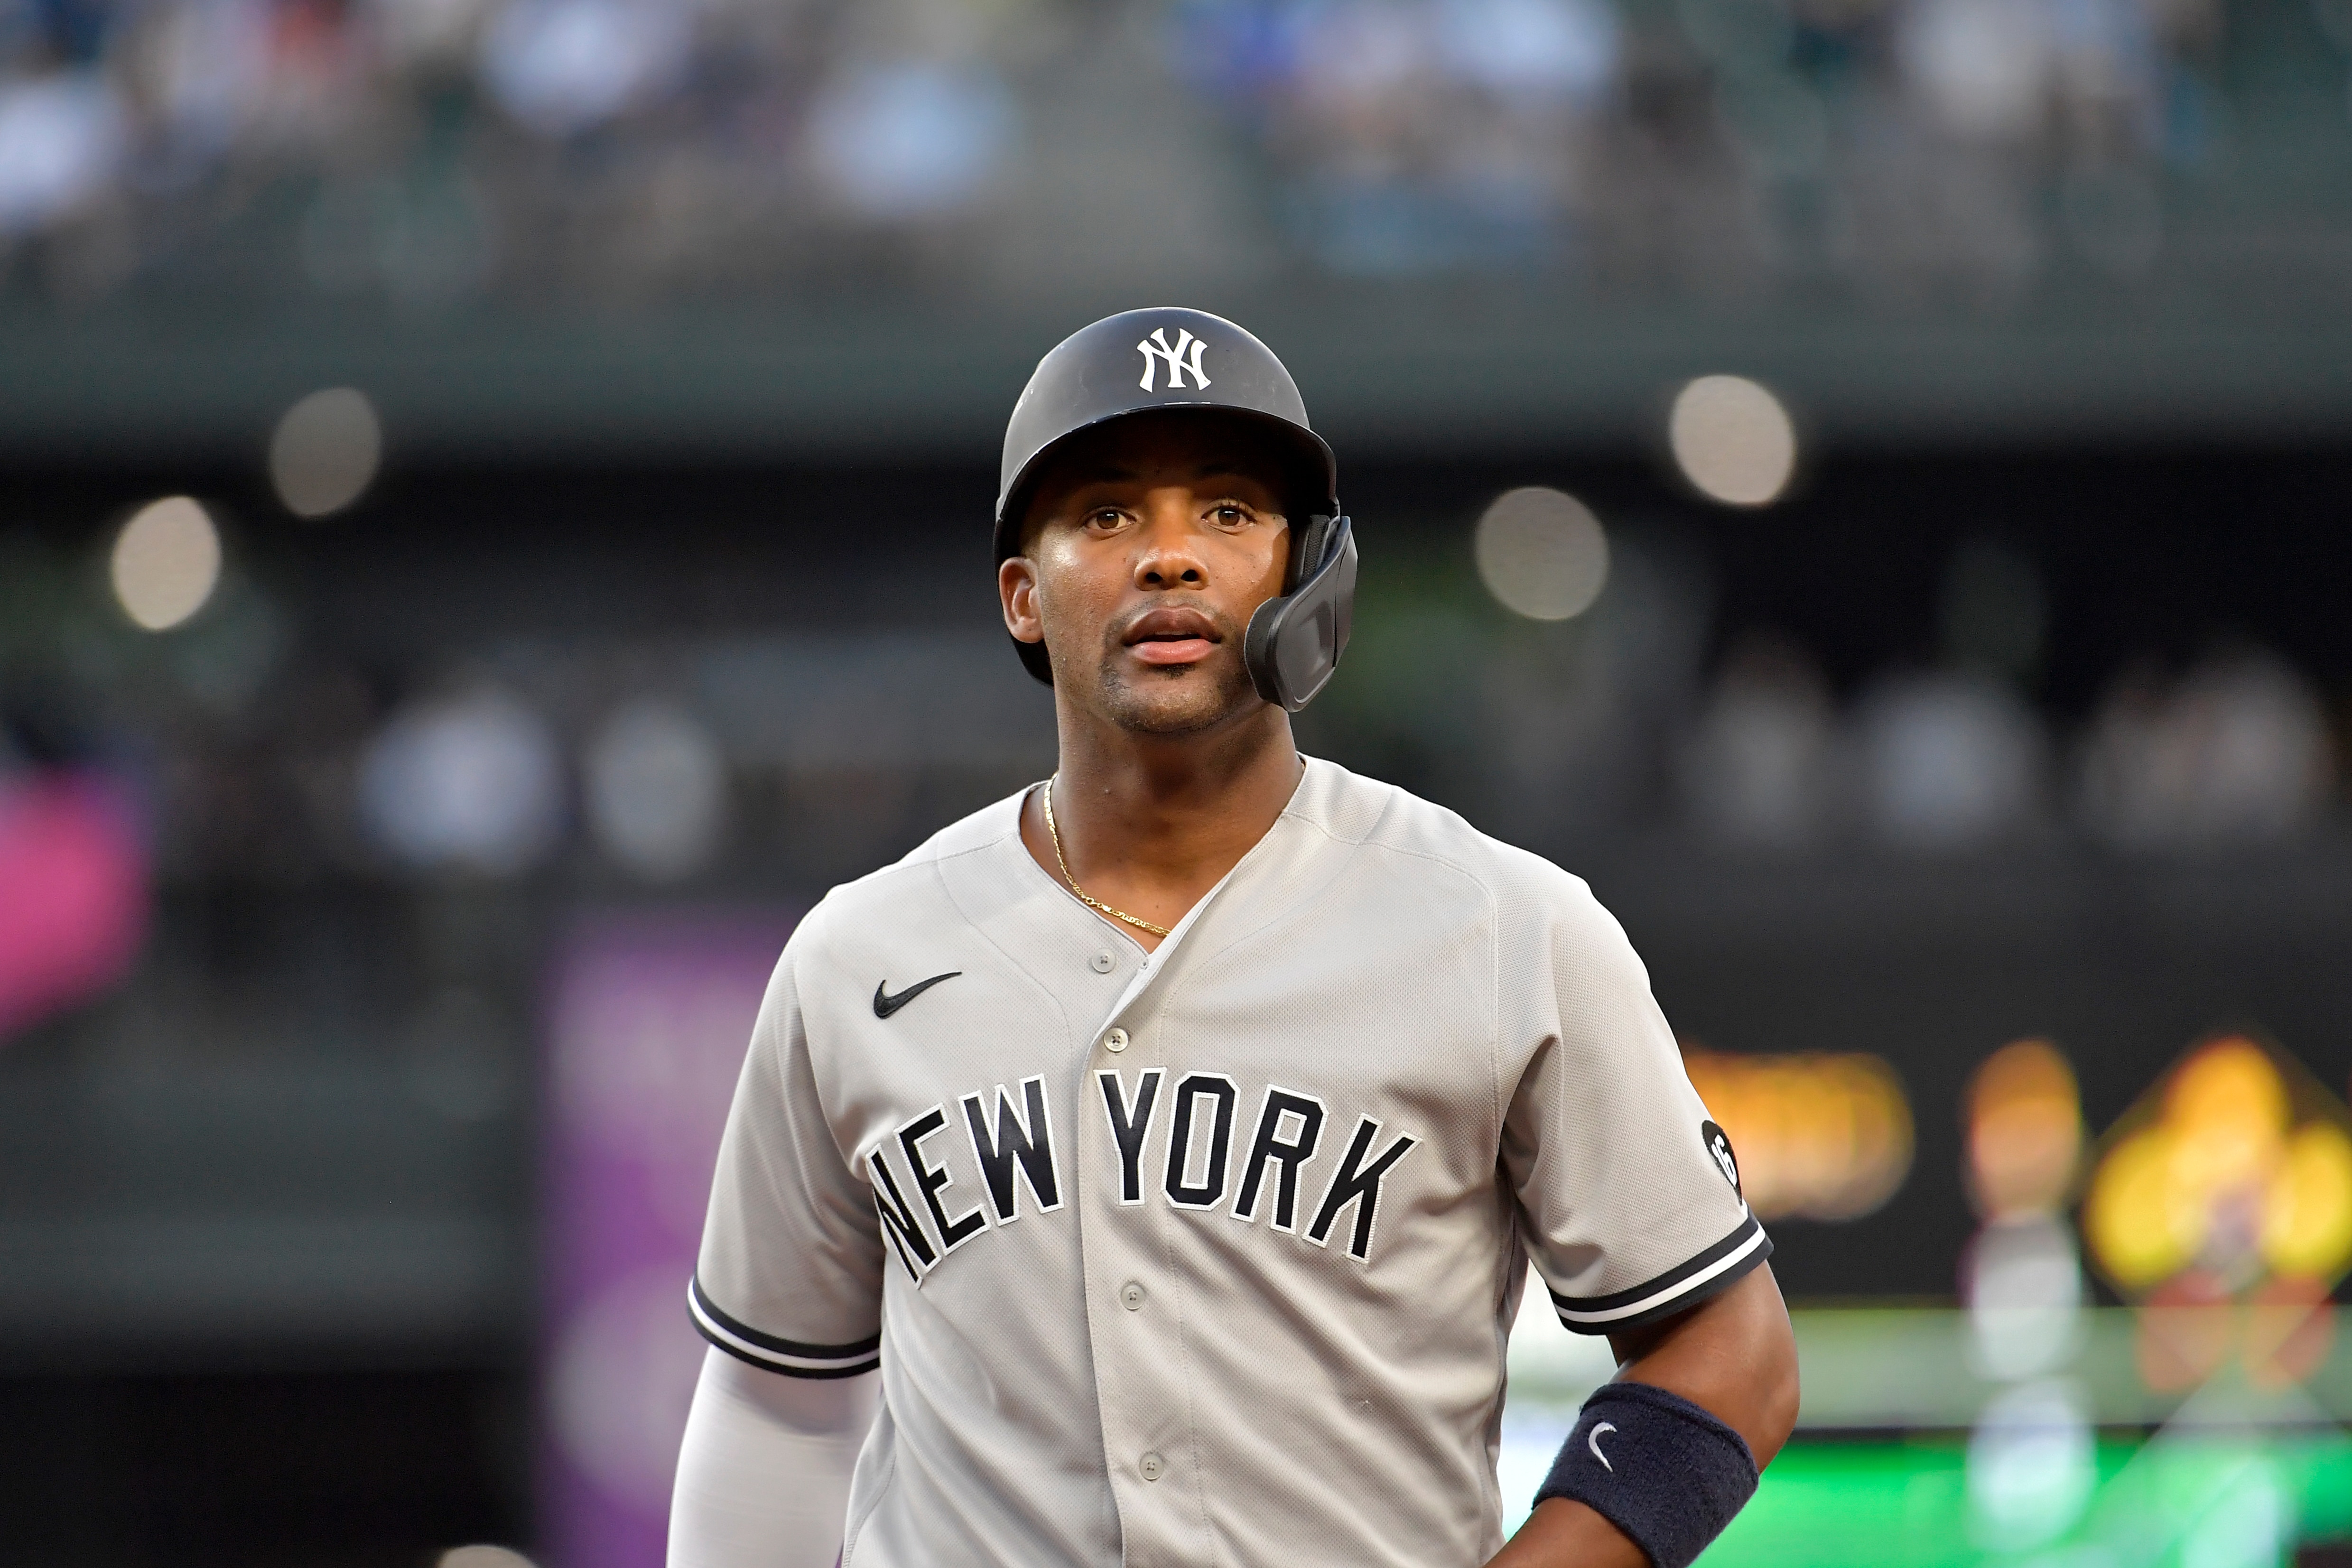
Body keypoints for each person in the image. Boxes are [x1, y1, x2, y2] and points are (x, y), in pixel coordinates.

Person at [668, 308, 1800, 1568]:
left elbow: (1733, 1348)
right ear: (1022, 597)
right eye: (1105, 515)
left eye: (1228, 513)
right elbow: (781, 1399)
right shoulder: (858, 958)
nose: (1168, 558)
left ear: (1313, 573)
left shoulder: (1503, 925)